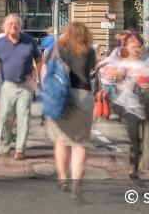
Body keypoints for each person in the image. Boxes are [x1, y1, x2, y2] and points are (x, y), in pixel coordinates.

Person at [44, 21, 97, 198]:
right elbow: (91, 70)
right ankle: (76, 184)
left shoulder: (59, 48)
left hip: (62, 96)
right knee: (80, 143)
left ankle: (62, 178)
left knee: (61, 140)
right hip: (84, 96)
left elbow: (48, 70)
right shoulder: (90, 51)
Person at [113, 32, 149, 179]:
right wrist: (123, 78)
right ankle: (133, 168)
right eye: (133, 46)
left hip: (145, 104)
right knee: (134, 137)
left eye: (139, 46)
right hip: (128, 105)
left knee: (146, 135)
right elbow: (116, 84)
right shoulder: (123, 63)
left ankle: (138, 160)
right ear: (126, 47)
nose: (136, 49)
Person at [0, 14, 40, 160]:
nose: (13, 26)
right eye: (10, 23)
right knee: (5, 116)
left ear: (21, 26)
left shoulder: (29, 42)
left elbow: (38, 59)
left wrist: (36, 77)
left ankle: (20, 149)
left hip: (25, 86)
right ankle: (4, 146)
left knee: (23, 117)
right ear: (5, 26)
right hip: (8, 85)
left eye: (16, 23)